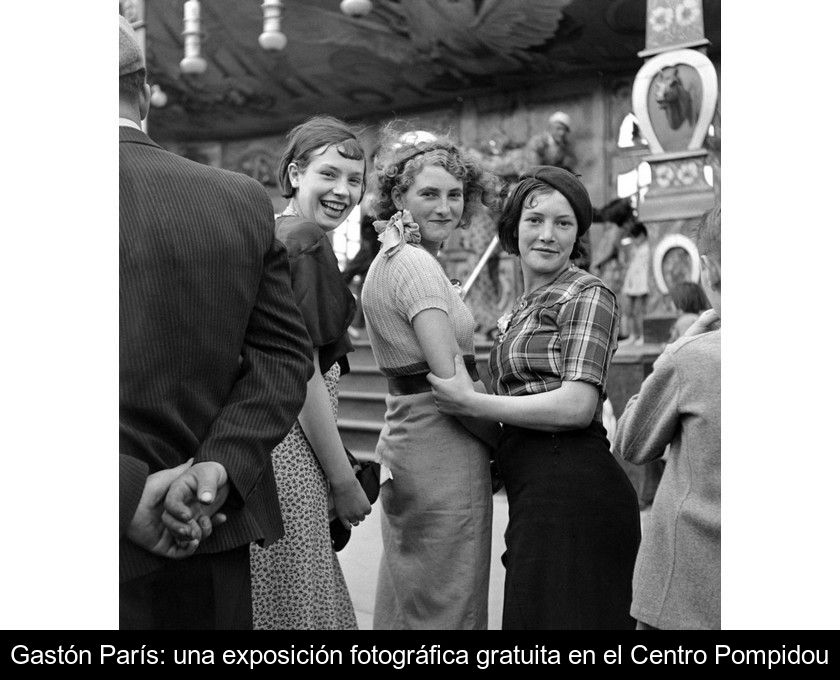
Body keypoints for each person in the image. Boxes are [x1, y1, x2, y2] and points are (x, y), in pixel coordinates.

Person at [119, 15, 314, 630]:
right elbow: (285, 358)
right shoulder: (239, 199)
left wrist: (123, 492)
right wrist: (216, 470)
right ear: (146, 89)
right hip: (207, 526)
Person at [428, 166, 640, 630]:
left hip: (574, 490)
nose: (547, 235)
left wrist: (472, 403)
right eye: (535, 219)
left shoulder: (588, 294)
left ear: (578, 234)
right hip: (533, 491)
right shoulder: (521, 306)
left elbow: (577, 406)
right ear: (514, 227)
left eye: (563, 223)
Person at [361, 132, 499, 629]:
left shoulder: (393, 258)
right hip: (442, 442)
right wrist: (503, 443)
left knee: (411, 595)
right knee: (449, 601)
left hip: (410, 435)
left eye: (454, 195)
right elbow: (452, 386)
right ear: (398, 197)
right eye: (429, 194)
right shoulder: (415, 266)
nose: (445, 207)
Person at [249, 116, 372, 630]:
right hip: (291, 455)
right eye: (329, 174)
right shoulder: (303, 241)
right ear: (296, 174)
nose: (343, 191)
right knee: (305, 606)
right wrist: (343, 480)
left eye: (354, 180)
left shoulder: (274, 231)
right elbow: (304, 377)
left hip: (261, 448)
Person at [613, 205, 721, 630]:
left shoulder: (693, 357)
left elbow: (632, 442)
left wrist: (669, 358)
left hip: (688, 586)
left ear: (707, 269)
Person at [620, 222, 651, 345]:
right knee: (629, 311)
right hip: (632, 283)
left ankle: (642, 335)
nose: (634, 240)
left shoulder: (647, 249)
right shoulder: (635, 249)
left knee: (639, 311)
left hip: (641, 284)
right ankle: (633, 335)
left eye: (635, 237)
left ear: (642, 235)